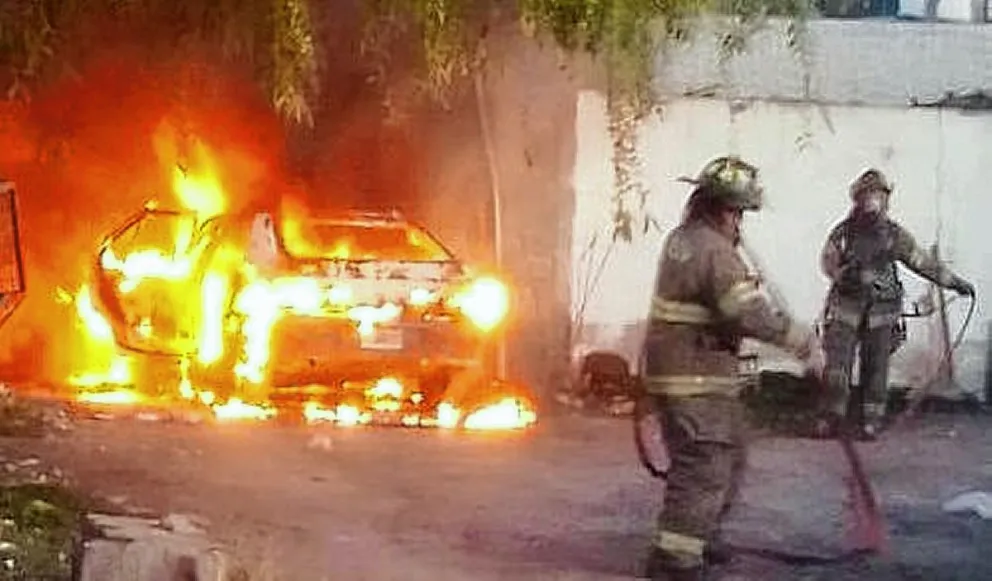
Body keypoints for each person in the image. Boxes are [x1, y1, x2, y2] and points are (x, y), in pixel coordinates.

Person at [640, 156, 821, 581]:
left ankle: (698, 538)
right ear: (721, 209)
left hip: (692, 377)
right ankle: (675, 561)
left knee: (730, 456)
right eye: (738, 213)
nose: (740, 223)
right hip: (696, 380)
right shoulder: (715, 252)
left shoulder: (684, 239)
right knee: (703, 468)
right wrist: (803, 343)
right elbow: (746, 315)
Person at [818, 168, 975, 440]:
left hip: (882, 310)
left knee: (877, 367)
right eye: (867, 195)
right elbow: (828, 261)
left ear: (886, 199)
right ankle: (832, 418)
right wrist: (847, 275)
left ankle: (871, 421)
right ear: (857, 199)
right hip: (845, 306)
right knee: (837, 365)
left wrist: (955, 283)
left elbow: (922, 262)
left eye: (878, 195)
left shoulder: (894, 236)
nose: (872, 202)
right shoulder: (842, 233)